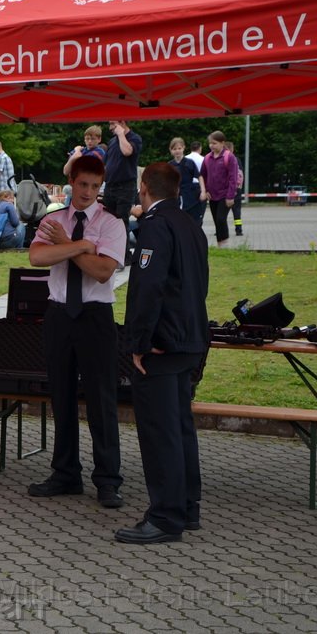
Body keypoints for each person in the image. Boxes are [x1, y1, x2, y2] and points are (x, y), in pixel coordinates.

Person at [115, 162, 209, 545]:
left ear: (144, 188)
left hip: (162, 344)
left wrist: (137, 342)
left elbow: (148, 288)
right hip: (190, 340)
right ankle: (187, 507)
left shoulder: (155, 226)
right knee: (181, 429)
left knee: (160, 431)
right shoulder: (190, 225)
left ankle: (165, 517)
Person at [27, 155, 127, 509]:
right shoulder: (53, 219)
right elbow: (37, 258)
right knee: (62, 396)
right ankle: (66, 473)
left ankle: (108, 479)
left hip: (96, 317)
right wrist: (82, 245)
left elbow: (102, 271)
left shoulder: (113, 224)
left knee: (101, 399)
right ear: (72, 182)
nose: (87, 193)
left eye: (94, 187)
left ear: (101, 188)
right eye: (82, 185)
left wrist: (65, 246)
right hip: (58, 315)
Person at [199, 131, 238, 247]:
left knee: (221, 219)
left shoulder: (229, 157)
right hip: (212, 195)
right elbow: (202, 175)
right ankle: (220, 244)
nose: (211, 146)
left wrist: (230, 196)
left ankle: (225, 244)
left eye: (214, 143)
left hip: (225, 194)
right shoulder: (207, 158)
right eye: (210, 143)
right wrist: (205, 191)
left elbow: (233, 177)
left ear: (222, 143)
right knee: (216, 220)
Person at [102, 120, 143, 227]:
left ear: (122, 123)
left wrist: (121, 134)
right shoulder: (112, 141)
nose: (110, 128)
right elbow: (105, 164)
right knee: (107, 222)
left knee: (121, 223)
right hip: (109, 187)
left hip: (124, 188)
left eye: (112, 124)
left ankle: (123, 244)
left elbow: (127, 151)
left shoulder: (135, 138)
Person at [168, 137, 200, 218]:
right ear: (170, 150)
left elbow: (199, 177)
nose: (177, 151)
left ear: (183, 148)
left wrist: (203, 191)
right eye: (174, 149)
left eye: (179, 148)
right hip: (175, 194)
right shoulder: (170, 165)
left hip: (189, 194)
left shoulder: (190, 162)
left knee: (191, 216)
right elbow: (166, 180)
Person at [224, 141, 245, 236]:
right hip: (237, 189)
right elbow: (240, 174)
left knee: (222, 212)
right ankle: (239, 230)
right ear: (232, 149)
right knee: (237, 211)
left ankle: (221, 230)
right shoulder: (238, 160)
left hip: (227, 190)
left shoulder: (224, 159)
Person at [184, 140, 206, 224]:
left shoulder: (186, 158)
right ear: (200, 148)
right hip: (199, 186)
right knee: (199, 210)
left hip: (187, 186)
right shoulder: (203, 159)